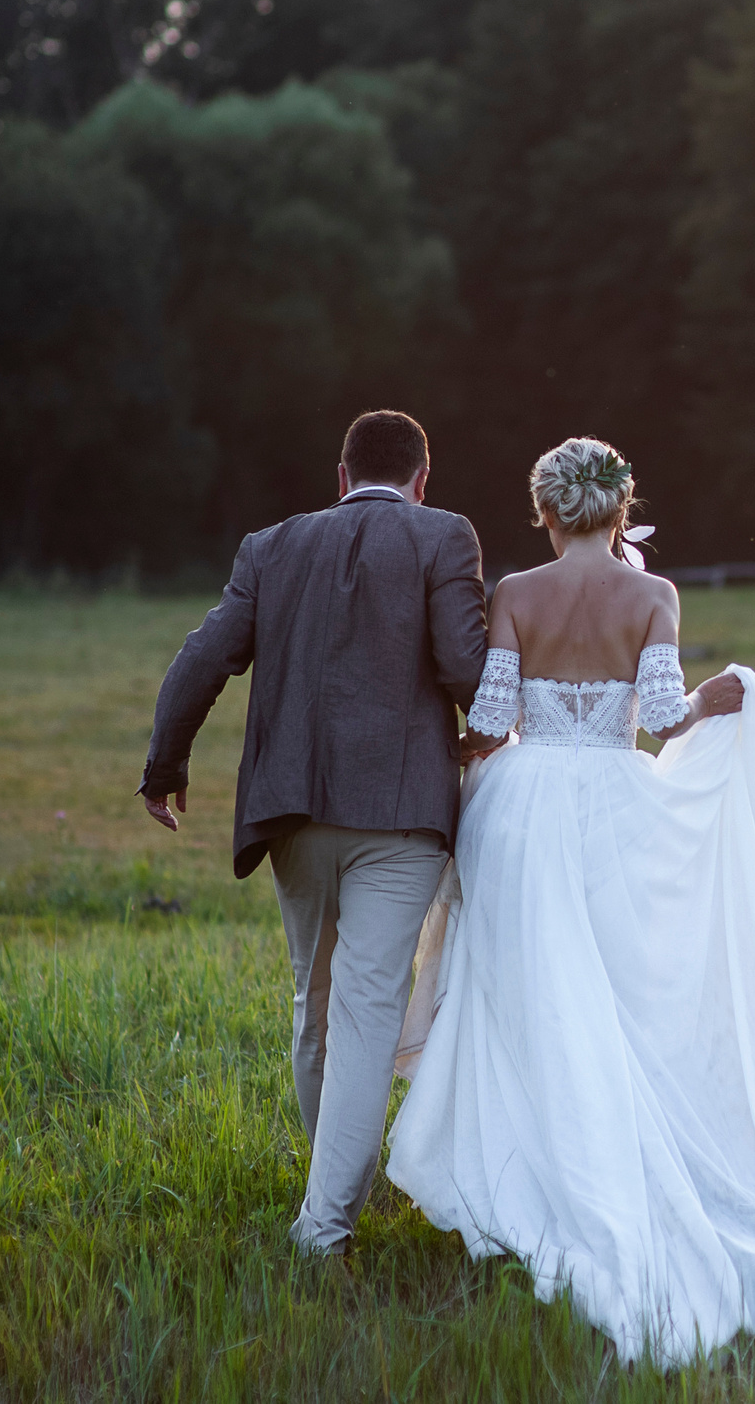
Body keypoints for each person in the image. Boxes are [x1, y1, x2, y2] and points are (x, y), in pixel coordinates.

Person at [387, 436, 755, 1366]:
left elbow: (490, 722)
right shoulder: (652, 595)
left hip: (522, 809)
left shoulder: (515, 596)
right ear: (620, 511)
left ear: (543, 512)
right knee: (609, 982)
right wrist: (729, 695)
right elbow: (662, 717)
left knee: (532, 990)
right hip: (613, 799)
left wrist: (461, 755)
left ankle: (526, 1154)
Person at [137, 409, 486, 1257]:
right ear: (422, 477)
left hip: (291, 808)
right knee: (367, 1009)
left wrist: (165, 764)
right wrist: (498, 729)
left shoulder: (271, 545)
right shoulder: (446, 535)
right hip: (401, 814)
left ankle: (329, 1200)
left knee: (316, 1006)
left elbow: (203, 653)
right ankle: (324, 1225)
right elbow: (464, 664)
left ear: (341, 475)